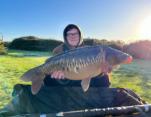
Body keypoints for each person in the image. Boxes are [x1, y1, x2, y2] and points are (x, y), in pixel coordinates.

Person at [44, 24, 111, 88]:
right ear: (65, 37)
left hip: (85, 76)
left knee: (104, 78)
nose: (72, 36)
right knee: (48, 79)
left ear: (80, 36)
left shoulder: (88, 50)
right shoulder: (58, 50)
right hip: (66, 79)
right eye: (69, 34)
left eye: (75, 34)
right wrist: (60, 79)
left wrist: (100, 73)